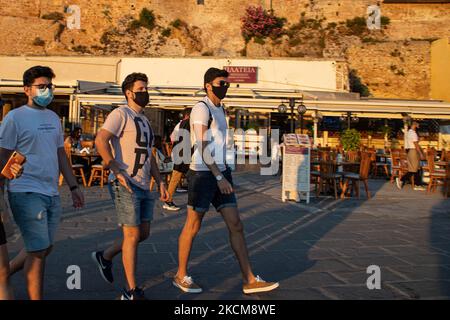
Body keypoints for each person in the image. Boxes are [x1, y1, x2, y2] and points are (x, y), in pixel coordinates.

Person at [173, 68, 279, 294]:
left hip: (222, 172)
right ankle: (180, 275)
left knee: (236, 224)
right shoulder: (201, 109)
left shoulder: (221, 109)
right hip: (203, 174)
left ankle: (249, 279)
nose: (226, 87)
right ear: (208, 85)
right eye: (222, 83)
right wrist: (218, 176)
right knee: (193, 226)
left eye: (227, 83)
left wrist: (223, 172)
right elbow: (201, 145)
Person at [0, 66, 85, 300]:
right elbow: (3, 155)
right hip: (25, 190)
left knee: (45, 248)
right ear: (27, 89)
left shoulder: (53, 118)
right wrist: (9, 171)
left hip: (51, 192)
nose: (47, 90)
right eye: (41, 86)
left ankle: (5, 274)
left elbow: (60, 154)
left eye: (49, 86)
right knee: (38, 252)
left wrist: (74, 186)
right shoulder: (14, 118)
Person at [92, 72, 169, 300]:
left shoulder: (144, 120)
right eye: (141, 89)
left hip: (144, 185)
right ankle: (131, 290)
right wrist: (114, 167)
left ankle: (105, 256)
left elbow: (150, 155)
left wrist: (161, 181)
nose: (145, 92)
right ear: (129, 93)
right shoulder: (120, 113)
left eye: (147, 88)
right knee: (132, 235)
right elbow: (101, 139)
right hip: (125, 182)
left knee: (142, 233)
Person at [163, 107, 191, 211]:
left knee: (178, 176)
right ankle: (168, 200)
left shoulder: (180, 124)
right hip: (182, 154)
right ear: (188, 115)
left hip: (180, 153)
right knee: (176, 177)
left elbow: (172, 138)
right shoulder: (186, 123)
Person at [396, 121, 426, 191]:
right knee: (413, 169)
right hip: (413, 151)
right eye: (418, 123)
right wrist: (421, 153)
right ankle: (401, 179)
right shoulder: (413, 133)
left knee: (416, 168)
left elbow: (413, 142)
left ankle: (417, 184)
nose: (419, 125)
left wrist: (419, 140)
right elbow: (415, 144)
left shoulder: (409, 133)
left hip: (409, 151)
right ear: (414, 124)